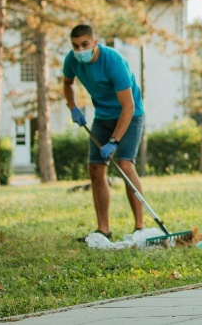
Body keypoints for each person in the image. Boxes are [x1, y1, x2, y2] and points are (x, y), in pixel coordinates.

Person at [63, 24, 147, 241]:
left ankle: (140, 227)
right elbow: (67, 82)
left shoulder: (113, 62)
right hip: (102, 116)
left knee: (126, 165)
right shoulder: (72, 60)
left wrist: (114, 141)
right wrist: (72, 105)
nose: (80, 50)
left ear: (95, 42)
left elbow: (128, 107)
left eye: (84, 44)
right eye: (75, 46)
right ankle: (103, 229)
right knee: (95, 168)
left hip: (130, 114)